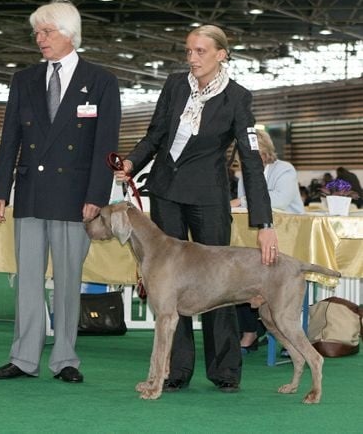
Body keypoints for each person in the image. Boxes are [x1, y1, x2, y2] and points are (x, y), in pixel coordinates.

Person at [115, 25, 278, 394]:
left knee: (219, 284)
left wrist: (264, 221)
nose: (192, 58)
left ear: (222, 54)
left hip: (208, 198)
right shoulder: (175, 85)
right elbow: (155, 135)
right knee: (170, 287)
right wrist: (131, 163)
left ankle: (224, 370)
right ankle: (175, 370)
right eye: (188, 51)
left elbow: (251, 161)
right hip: (165, 193)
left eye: (201, 51)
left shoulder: (237, 98)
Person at [0, 0, 121, 383]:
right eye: (37, 32)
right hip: (30, 191)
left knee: (67, 281)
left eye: (46, 31)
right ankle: (23, 358)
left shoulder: (101, 81)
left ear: (68, 33)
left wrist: (97, 196)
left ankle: (65, 359)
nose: (39, 38)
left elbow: (105, 145)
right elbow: (10, 136)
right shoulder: (24, 79)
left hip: (76, 195)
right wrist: (0, 189)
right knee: (27, 280)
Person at [231, 129, 304, 352]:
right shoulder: (245, 174)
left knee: (282, 285)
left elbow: (280, 201)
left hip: (289, 237)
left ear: (266, 152)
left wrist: (242, 199)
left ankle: (289, 333)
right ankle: (250, 331)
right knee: (239, 277)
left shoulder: (285, 169)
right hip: (255, 234)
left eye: (256, 153)